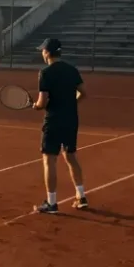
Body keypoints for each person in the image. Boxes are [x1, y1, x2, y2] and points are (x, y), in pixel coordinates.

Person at [32, 38, 87, 213]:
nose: (42, 53)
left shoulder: (45, 73)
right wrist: (70, 104)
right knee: (71, 156)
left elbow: (42, 103)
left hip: (54, 120)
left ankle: (52, 203)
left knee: (49, 160)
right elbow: (83, 93)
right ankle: (81, 196)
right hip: (71, 119)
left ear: (47, 53)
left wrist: (36, 106)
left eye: (43, 50)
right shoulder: (72, 70)